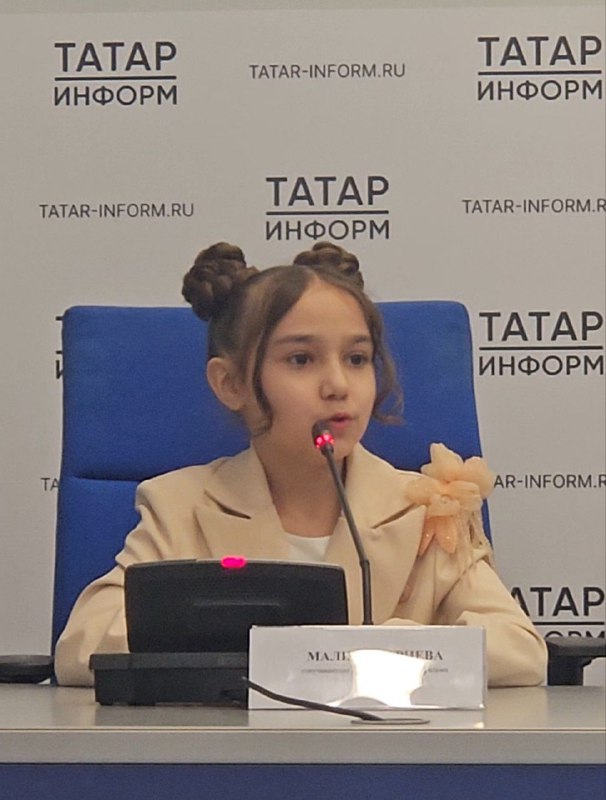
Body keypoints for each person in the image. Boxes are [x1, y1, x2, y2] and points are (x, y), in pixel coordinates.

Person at [54, 241, 547, 687]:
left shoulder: (428, 506)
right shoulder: (180, 505)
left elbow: (520, 651)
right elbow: (83, 646)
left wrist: (381, 649)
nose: (338, 385)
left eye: (357, 359)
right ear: (231, 384)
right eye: (301, 360)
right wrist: (270, 653)